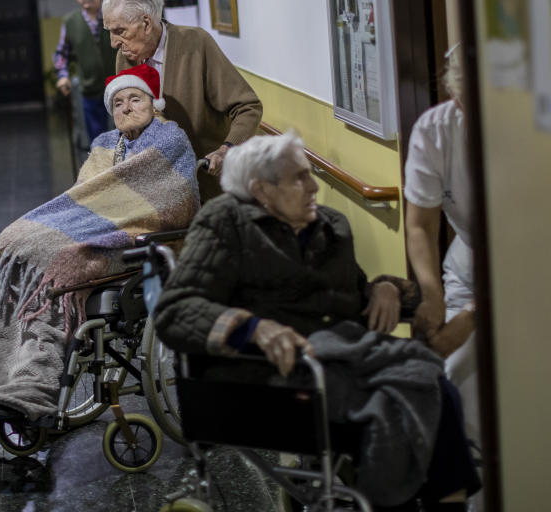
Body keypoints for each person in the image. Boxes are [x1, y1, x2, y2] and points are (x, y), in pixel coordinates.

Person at [155, 132, 481, 511]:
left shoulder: (330, 226)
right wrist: (252, 327)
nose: (313, 187)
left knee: (432, 385)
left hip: (342, 355)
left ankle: (447, 501)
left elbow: (354, 294)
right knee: (403, 400)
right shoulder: (225, 222)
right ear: (261, 190)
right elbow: (175, 310)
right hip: (275, 371)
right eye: (299, 178)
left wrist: (387, 289)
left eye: (310, 174)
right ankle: (407, 502)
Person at [0, 64, 200, 422]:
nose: (125, 108)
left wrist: (98, 231)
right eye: (117, 103)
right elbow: (84, 199)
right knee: (18, 245)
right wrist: (80, 227)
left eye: (135, 99)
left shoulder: (170, 141)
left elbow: (173, 203)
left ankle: (33, 385)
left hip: (138, 241)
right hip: (96, 232)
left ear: (155, 104)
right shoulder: (103, 144)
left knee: (61, 262)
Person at [102, 0, 263, 201]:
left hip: (208, 185)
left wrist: (226, 150)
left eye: (119, 31)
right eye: (110, 32)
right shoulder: (125, 57)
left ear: (146, 23)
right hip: (160, 191)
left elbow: (247, 107)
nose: (113, 43)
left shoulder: (195, 44)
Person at [404, 44, 479, 449]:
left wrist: (471, 318)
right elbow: (420, 223)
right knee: (452, 378)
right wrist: (431, 295)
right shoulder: (436, 130)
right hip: (470, 263)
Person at [52, 0, 117, 151]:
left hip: (119, 86)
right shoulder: (70, 21)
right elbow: (61, 54)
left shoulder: (114, 15)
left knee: (124, 136)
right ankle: (103, 176)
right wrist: (62, 75)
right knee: (98, 140)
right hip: (90, 89)